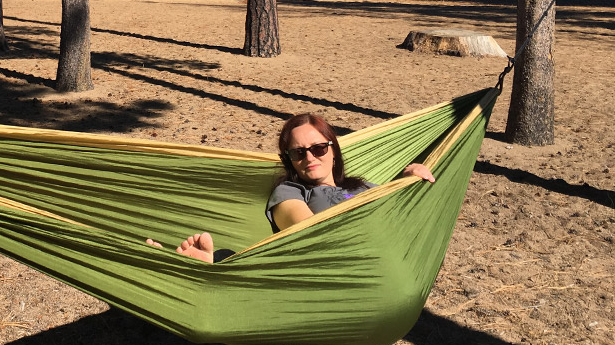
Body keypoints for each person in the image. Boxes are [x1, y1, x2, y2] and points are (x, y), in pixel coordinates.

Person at [146, 112, 435, 263]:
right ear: (290, 160)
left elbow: (396, 209)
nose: (309, 157)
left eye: (319, 148)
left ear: (334, 149)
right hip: (337, 257)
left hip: (384, 252)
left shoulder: (365, 185)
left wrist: (406, 177)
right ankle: (209, 268)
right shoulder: (291, 191)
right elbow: (307, 231)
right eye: (298, 153)